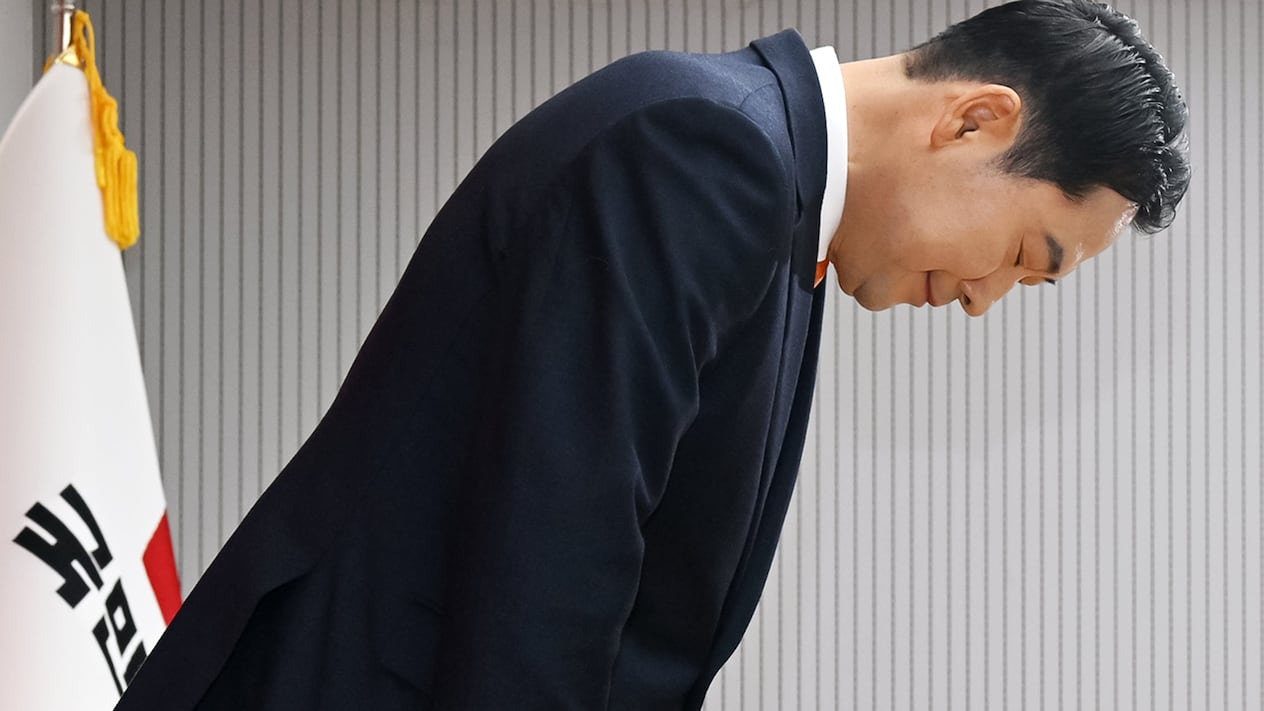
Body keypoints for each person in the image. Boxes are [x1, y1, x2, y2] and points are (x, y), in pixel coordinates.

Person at [117, 1, 1189, 709]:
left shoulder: (773, 193)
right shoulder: (706, 150)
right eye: (1023, 257)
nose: (985, 301)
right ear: (974, 120)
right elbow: (551, 563)